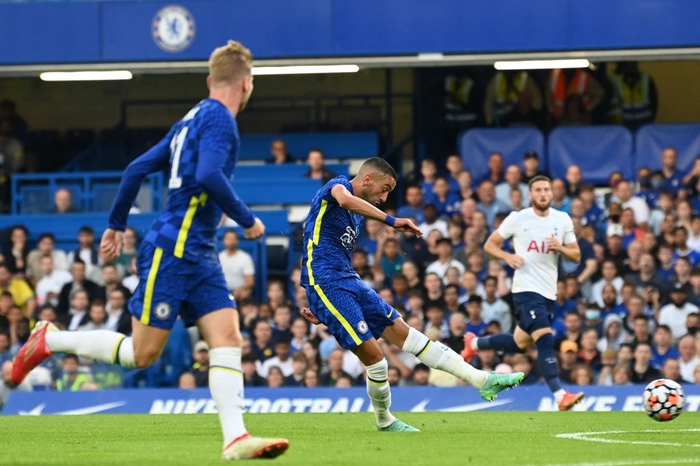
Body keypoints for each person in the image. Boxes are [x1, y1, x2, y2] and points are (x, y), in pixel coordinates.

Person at [10, 41, 289, 460]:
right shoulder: (221, 120)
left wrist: (117, 223)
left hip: (199, 252)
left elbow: (136, 168)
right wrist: (248, 219)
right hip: (174, 250)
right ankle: (52, 339)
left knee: (227, 336)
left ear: (210, 80)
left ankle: (235, 439)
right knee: (141, 354)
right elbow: (209, 174)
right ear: (247, 84)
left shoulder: (189, 121)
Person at [298, 157, 523, 432]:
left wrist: (325, 309)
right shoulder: (338, 186)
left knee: (409, 334)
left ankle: (481, 380)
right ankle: (385, 421)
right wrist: (392, 221)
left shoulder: (357, 215)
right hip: (326, 280)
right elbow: (343, 201)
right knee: (377, 360)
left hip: (347, 280)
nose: (384, 197)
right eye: (385, 188)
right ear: (368, 178)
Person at [462, 176, 585, 411]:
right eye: (537, 190)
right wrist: (508, 257)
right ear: (530, 195)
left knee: (520, 343)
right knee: (545, 339)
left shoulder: (562, 219)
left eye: (546, 189)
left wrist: (559, 248)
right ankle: (560, 395)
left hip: (548, 291)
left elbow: (577, 255)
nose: (542, 193)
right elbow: (490, 244)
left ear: (551, 193)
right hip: (525, 289)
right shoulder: (518, 218)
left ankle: (474, 342)